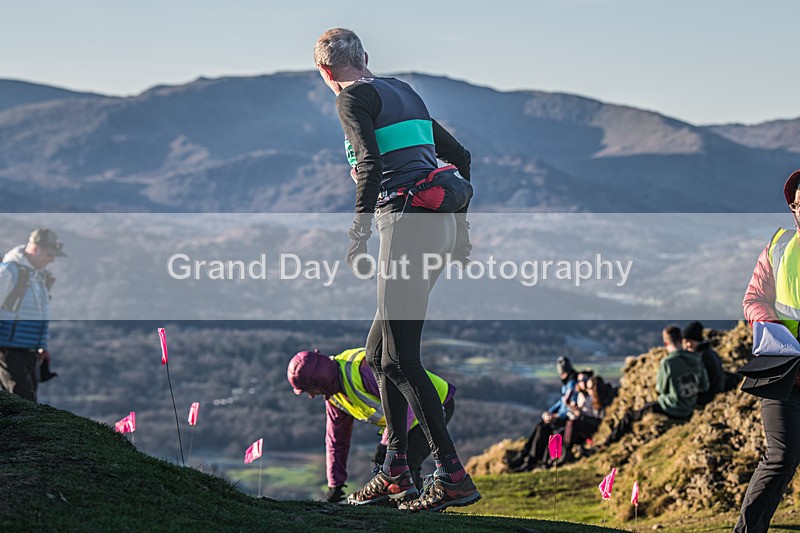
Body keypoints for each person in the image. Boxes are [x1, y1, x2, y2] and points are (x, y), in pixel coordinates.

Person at [313, 28, 479, 512]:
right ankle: (395, 471)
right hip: (437, 225)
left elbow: (368, 163)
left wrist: (357, 235)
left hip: (405, 225)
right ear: (364, 57)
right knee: (378, 355)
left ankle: (452, 476)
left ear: (325, 72)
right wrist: (461, 233)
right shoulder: (403, 91)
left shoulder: (352, 102)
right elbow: (461, 157)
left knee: (401, 358)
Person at [286, 348, 456, 502]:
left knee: (405, 461)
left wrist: (387, 444)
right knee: (392, 462)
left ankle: (418, 508)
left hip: (433, 403)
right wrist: (335, 484)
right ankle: (405, 505)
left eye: (308, 389)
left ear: (319, 381)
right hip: (408, 417)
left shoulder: (362, 370)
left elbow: (405, 401)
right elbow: (337, 440)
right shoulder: (334, 396)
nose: (310, 396)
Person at [736, 169, 800, 533]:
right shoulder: (778, 246)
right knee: (781, 457)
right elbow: (754, 298)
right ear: (794, 208)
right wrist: (772, 325)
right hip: (785, 373)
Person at [603, 325, 709, 446]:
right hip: (690, 406)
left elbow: (661, 388)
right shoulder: (696, 359)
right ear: (681, 340)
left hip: (673, 407)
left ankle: (608, 443)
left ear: (666, 343)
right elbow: (704, 385)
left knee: (631, 415)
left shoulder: (668, 363)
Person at [0, 228, 65, 402]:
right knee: (21, 403)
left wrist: (41, 345)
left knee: (28, 402)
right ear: (35, 249)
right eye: (49, 254)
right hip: (8, 350)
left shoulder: (37, 277)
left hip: (30, 351)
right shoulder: (9, 272)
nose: (51, 260)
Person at [507, 356, 578, 471]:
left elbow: (569, 406)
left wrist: (555, 416)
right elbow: (561, 402)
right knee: (540, 426)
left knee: (543, 429)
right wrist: (550, 412)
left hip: (565, 420)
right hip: (560, 417)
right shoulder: (569, 383)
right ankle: (525, 456)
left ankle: (531, 460)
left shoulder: (572, 385)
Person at [561, 374, 615, 463]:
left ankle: (567, 452)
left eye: (590, 388)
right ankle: (566, 451)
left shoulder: (604, 400)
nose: (588, 390)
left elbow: (601, 419)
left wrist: (582, 416)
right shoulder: (592, 398)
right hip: (592, 423)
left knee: (574, 423)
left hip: (598, 428)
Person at [681, 321, 730, 407]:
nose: (686, 345)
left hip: (709, 396)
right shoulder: (709, 352)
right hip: (717, 391)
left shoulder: (700, 357)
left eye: (688, 341)